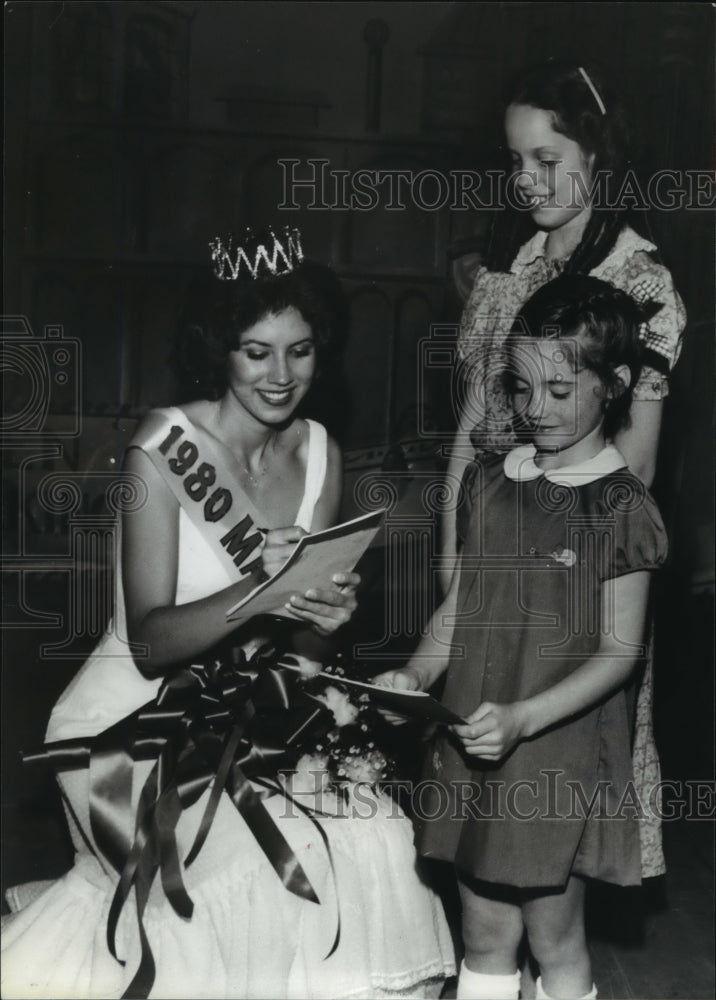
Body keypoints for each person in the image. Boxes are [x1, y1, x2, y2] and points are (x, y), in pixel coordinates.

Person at [1, 229, 455, 999]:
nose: (281, 376)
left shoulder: (321, 454)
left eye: (300, 351)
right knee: (250, 878)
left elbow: (300, 650)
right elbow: (151, 643)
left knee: (372, 834)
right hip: (126, 728)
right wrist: (264, 588)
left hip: (251, 717)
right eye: (256, 352)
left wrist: (323, 619)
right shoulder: (161, 450)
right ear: (221, 349)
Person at [377, 275, 669, 999]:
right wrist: (415, 676)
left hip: (551, 754)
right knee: (483, 933)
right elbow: (458, 612)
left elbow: (620, 654)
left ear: (615, 384)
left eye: (560, 390)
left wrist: (523, 719)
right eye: (520, 386)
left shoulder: (620, 505)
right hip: (473, 737)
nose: (536, 408)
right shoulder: (488, 481)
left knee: (553, 936)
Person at [442, 61, 685, 879]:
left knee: (555, 811)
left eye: (547, 158)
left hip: (574, 581)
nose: (526, 178)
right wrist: (454, 564)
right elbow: (472, 434)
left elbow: (634, 467)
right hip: (490, 551)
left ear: (599, 156)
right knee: (480, 812)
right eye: (516, 160)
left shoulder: (639, 281)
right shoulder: (505, 279)